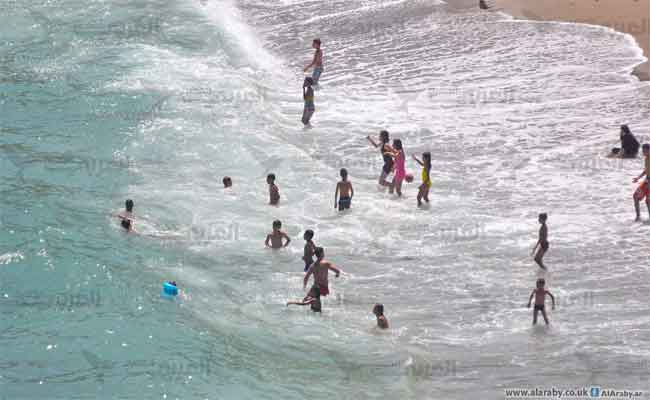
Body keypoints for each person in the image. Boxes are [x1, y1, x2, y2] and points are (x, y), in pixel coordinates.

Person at [633, 144, 650, 221]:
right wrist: (638, 177)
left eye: (645, 151)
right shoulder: (646, 158)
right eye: (643, 151)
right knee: (635, 196)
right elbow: (646, 170)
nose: (643, 152)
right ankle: (638, 216)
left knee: (648, 201)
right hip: (647, 180)